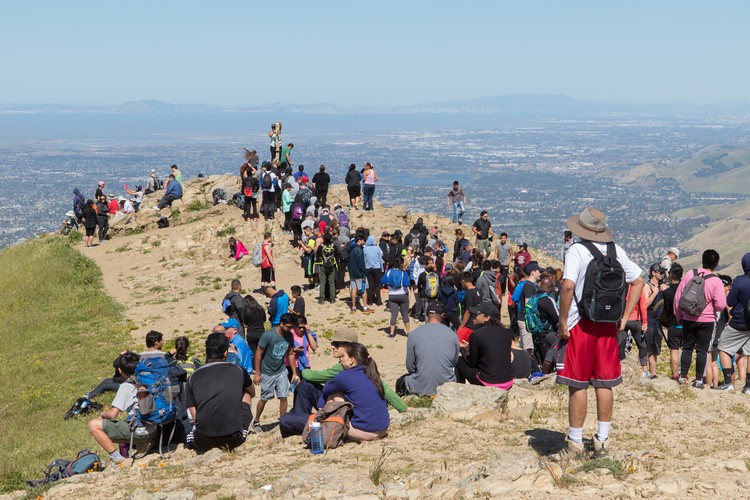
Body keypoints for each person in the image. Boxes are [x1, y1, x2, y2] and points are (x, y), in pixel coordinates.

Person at [553, 207, 643, 461]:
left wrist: (562, 321)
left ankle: (575, 442)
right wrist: (624, 318)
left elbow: (568, 285)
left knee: (577, 383)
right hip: (607, 326)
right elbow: (638, 281)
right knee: (605, 383)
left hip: (580, 325)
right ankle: (602, 441)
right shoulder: (616, 251)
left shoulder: (577, 250)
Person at [185, 332, 254, 452]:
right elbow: (252, 392)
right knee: (245, 391)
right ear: (225, 352)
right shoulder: (238, 370)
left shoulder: (193, 376)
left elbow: (193, 412)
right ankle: (243, 425)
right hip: (233, 437)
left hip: (203, 439)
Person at [674, 249, 726, 388]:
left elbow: (679, 297)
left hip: (688, 318)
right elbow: (721, 305)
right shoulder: (716, 281)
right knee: (702, 350)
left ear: (702, 260)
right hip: (707, 321)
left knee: (687, 347)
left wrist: (679, 316)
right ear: (716, 264)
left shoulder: (690, 274)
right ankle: (698, 380)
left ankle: (682, 377)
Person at [87, 351, 151, 464]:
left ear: (120, 370)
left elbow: (113, 414)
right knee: (125, 422)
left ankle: (117, 458)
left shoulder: (126, 387)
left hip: (141, 431)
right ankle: (143, 442)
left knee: (94, 425)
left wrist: (102, 414)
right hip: (154, 428)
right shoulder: (148, 378)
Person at [321, 343, 389, 441]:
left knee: (335, 394)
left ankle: (329, 426)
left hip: (365, 432)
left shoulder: (344, 376)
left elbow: (326, 389)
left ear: (352, 360)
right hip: (383, 429)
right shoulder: (371, 374)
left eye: (343, 356)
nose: (341, 359)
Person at [396, 301, 459, 396]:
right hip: (446, 386)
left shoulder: (413, 334)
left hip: (419, 385)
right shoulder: (453, 335)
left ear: (426, 313)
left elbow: (410, 366)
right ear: (442, 315)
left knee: (400, 382)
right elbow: (454, 361)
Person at [253, 313, 298, 432]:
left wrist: (294, 373)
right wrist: (257, 373)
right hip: (267, 372)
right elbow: (258, 353)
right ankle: (256, 421)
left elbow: (291, 354)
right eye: (288, 327)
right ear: (281, 324)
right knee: (264, 398)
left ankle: (283, 421)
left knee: (284, 396)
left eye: (291, 327)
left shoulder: (289, 336)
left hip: (281, 371)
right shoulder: (269, 335)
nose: (290, 330)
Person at [455, 302, 514, 389]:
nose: (473, 315)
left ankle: (461, 392)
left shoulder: (477, 334)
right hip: (508, 382)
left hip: (489, 383)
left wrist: (463, 350)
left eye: (477, 314)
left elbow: (472, 363)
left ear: (487, 318)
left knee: (460, 361)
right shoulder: (507, 332)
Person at [717, 252, 750, 392]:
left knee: (723, 347)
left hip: (739, 322)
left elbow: (730, 301)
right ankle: (748, 386)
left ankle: (728, 383)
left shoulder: (739, 281)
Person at [643, 263, 667, 378]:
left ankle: (653, 373)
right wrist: (655, 293)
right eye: (660, 272)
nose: (663, 274)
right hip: (649, 321)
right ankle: (644, 372)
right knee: (646, 348)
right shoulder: (647, 286)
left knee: (655, 349)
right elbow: (645, 304)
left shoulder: (663, 286)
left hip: (658, 323)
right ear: (653, 273)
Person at [661, 263, 684, 380]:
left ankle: (675, 374)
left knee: (674, 350)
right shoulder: (685, 290)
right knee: (686, 350)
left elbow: (666, 309)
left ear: (670, 275)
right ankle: (684, 375)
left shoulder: (667, 292)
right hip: (686, 324)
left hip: (673, 324)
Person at [516, 261, 543, 356]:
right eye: (538, 271)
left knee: (524, 346)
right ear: (533, 272)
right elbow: (528, 306)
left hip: (525, 320)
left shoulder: (530, 285)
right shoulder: (529, 286)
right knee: (528, 349)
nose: (540, 273)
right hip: (526, 320)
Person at [382, 257, 412, 338]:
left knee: (394, 315)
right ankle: (408, 332)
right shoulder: (403, 273)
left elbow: (383, 281)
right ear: (401, 264)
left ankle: (391, 334)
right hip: (403, 295)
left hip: (392, 295)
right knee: (405, 314)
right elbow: (406, 284)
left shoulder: (389, 271)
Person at [349, 231, 373, 314]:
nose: (365, 242)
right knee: (364, 290)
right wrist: (363, 273)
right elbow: (361, 264)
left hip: (352, 273)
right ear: (360, 240)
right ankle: (365, 307)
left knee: (354, 289)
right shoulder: (359, 250)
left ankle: (353, 307)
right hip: (359, 273)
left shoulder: (351, 249)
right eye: (364, 240)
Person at [317, 232, 339, 304]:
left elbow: (317, 256)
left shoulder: (321, 247)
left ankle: (321, 299)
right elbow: (337, 256)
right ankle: (332, 298)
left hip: (323, 265)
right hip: (331, 265)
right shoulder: (333, 246)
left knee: (322, 282)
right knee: (331, 282)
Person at [364, 235, 384, 307]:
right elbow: (380, 260)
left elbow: (364, 260)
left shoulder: (365, 249)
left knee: (369, 285)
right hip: (376, 268)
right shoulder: (377, 248)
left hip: (368, 267)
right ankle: (378, 301)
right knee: (377, 285)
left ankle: (370, 300)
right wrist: (382, 268)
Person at [494, 232, 512, 297]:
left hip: (505, 264)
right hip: (499, 263)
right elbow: (496, 253)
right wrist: (495, 261)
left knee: (504, 278)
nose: (503, 239)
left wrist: (509, 261)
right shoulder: (498, 245)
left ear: (506, 239)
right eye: (502, 238)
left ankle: (503, 291)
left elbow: (511, 254)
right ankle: (499, 289)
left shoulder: (509, 246)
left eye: (504, 238)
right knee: (498, 277)